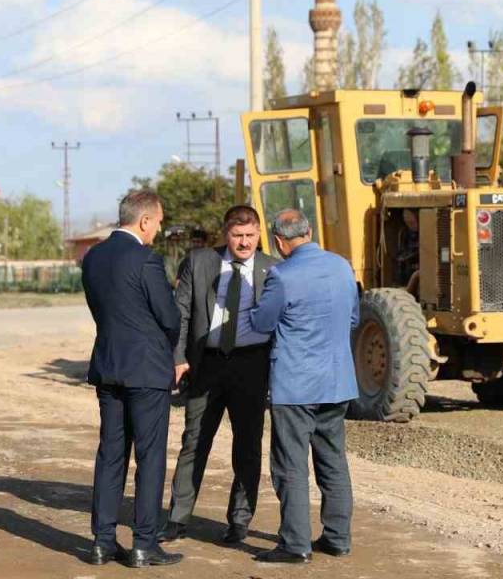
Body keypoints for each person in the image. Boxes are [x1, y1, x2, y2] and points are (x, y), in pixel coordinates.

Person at [160, 205, 278, 545]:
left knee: (248, 445)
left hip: (252, 365)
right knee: (194, 441)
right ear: (225, 234)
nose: (244, 243)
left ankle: (239, 521)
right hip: (207, 364)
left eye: (251, 236)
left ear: (259, 233)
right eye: (238, 236)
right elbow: (180, 315)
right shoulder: (199, 262)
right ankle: (178, 518)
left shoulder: (273, 269)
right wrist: (178, 357)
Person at [249, 208, 359, 564]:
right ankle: (338, 538)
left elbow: (263, 323)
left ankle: (295, 545)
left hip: (296, 386)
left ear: (279, 241)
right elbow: (354, 317)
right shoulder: (342, 267)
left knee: (290, 465)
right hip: (338, 381)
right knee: (333, 462)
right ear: (309, 231)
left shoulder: (282, 275)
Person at [81, 190, 183, 568]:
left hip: (108, 365)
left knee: (111, 454)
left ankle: (102, 542)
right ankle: (144, 544)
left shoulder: (93, 258)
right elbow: (169, 318)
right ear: (144, 221)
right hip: (147, 371)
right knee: (150, 456)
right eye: (158, 222)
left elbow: (100, 311)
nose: (158, 229)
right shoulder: (146, 260)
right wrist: (167, 348)